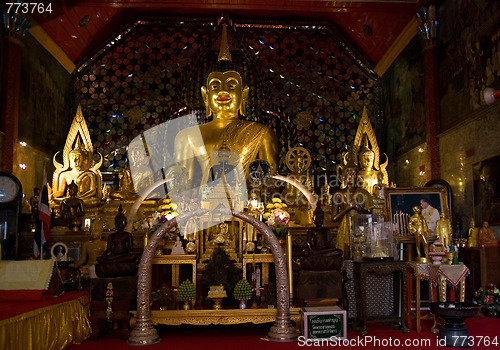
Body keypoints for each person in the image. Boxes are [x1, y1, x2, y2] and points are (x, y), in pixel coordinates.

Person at [173, 24, 280, 195]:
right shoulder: (187, 137)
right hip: (203, 208)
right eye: (215, 86)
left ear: (244, 94)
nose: (223, 91)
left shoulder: (261, 134)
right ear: (205, 95)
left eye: (231, 85)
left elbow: (269, 186)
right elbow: (182, 188)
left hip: (247, 209)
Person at [331, 159, 374, 252]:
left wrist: (359, 209)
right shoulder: (338, 194)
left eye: (353, 174)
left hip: (361, 228)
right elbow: (334, 218)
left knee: (360, 253)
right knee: (345, 254)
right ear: (343, 176)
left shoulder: (364, 193)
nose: (350, 177)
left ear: (357, 176)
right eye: (348, 174)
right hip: (344, 229)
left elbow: (371, 214)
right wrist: (349, 208)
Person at [52, 140, 102, 207]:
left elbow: (93, 190)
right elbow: (61, 191)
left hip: (83, 198)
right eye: (72, 158)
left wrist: (80, 197)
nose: (74, 161)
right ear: (69, 160)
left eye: (77, 158)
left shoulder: (89, 174)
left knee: (95, 201)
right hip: (69, 199)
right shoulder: (64, 174)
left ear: (83, 160)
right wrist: (52, 195)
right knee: (59, 200)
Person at [95, 205, 138, 277]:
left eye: (121, 222)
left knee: (133, 256)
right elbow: (108, 249)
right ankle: (114, 261)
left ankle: (113, 262)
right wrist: (104, 255)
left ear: (125, 223)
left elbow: (130, 248)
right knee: (100, 259)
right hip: (115, 255)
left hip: (123, 255)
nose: (119, 224)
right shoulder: (111, 236)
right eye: (117, 222)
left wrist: (122, 253)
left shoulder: (128, 235)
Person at [301, 206, 343, 271]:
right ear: (313, 219)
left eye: (321, 218)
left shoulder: (327, 230)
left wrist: (326, 248)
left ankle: (317, 255)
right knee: (305, 253)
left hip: (324, 250)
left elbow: (329, 243)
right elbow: (308, 242)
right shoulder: (311, 230)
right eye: (317, 218)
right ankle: (318, 254)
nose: (319, 220)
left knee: (339, 252)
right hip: (315, 250)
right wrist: (311, 248)